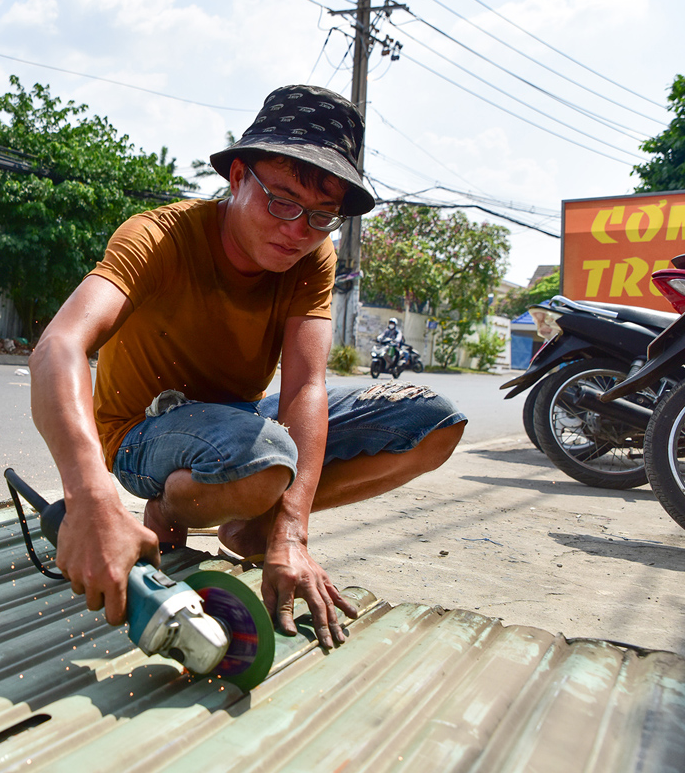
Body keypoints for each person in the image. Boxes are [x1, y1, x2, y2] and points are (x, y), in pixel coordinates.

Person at [29, 85, 467, 650]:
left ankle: (255, 525)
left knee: (433, 424)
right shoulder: (160, 236)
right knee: (267, 458)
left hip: (242, 427)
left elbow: (306, 385)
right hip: (144, 432)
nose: (297, 230)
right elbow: (59, 345)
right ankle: (169, 500)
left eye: (320, 216)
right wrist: (91, 499)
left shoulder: (312, 256)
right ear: (238, 176)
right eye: (281, 202)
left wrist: (291, 532)